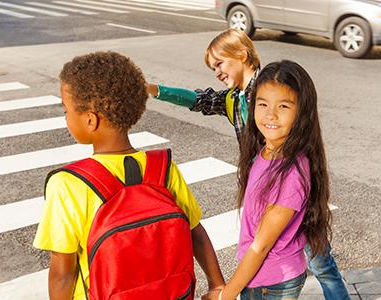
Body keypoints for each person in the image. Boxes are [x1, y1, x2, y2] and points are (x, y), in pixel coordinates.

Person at [149, 29, 350, 299]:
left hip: (285, 191)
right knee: (282, 249)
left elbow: (260, 247)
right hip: (266, 190)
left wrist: (226, 293)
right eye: (213, 68)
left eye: (219, 63)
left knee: (319, 262)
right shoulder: (234, 99)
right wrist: (156, 91)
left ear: (242, 54)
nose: (217, 72)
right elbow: (198, 100)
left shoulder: (272, 83)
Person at [33, 51, 225, 300]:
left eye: (66, 110)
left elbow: (62, 274)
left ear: (90, 120)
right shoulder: (163, 169)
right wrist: (217, 284)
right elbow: (195, 232)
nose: (66, 116)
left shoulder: (68, 184)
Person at [205, 60, 333, 300]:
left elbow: (261, 246)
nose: (270, 114)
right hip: (264, 276)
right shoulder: (266, 151)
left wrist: (226, 295)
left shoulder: (291, 173)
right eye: (262, 104)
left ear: (302, 112)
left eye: (283, 106)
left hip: (270, 283)